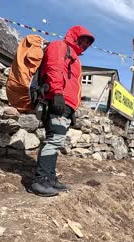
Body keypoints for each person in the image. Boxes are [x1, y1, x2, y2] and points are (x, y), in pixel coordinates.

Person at [29, 26, 95, 197]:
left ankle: (49, 179)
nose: (86, 44)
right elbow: (54, 68)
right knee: (54, 139)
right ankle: (40, 180)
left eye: (88, 43)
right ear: (74, 37)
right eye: (83, 40)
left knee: (56, 140)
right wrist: (57, 93)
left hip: (65, 103)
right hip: (57, 99)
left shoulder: (73, 56)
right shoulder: (60, 46)